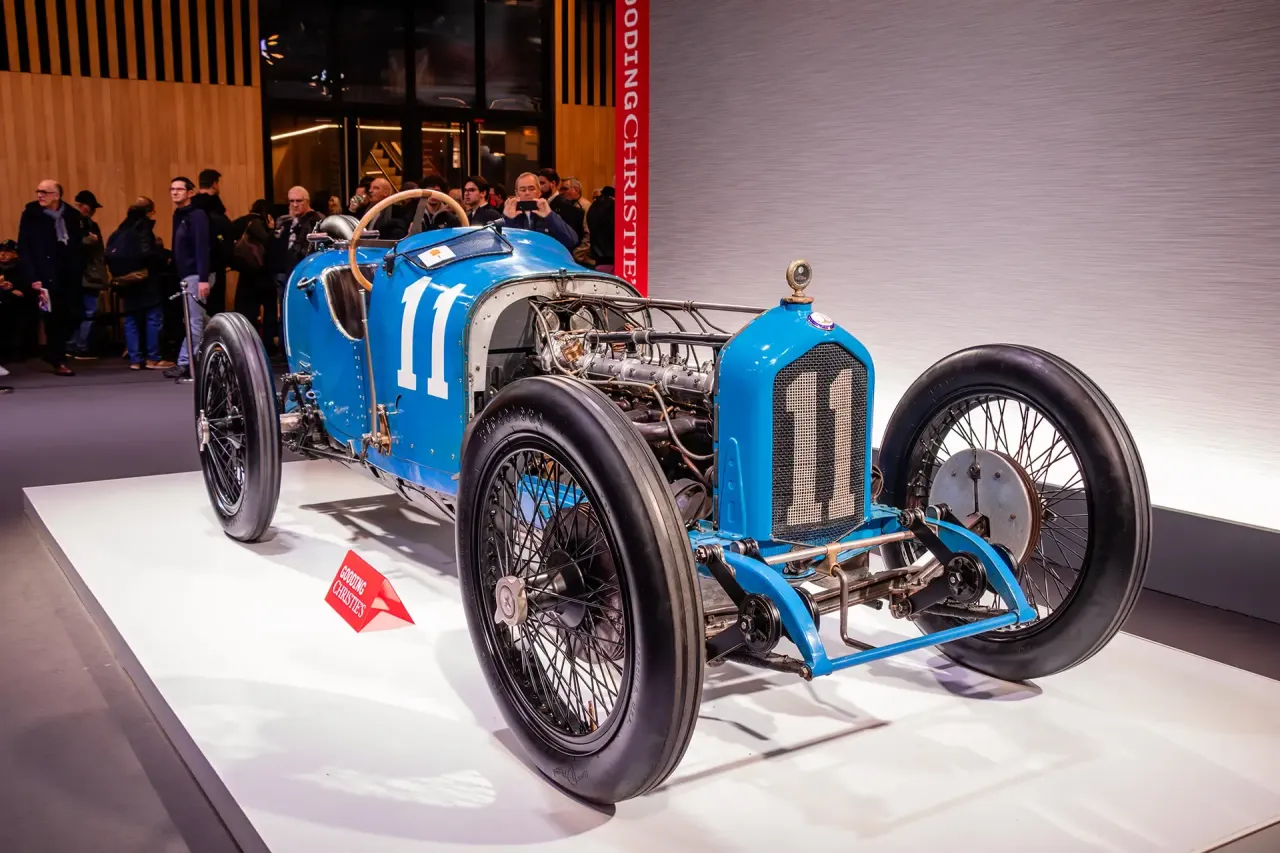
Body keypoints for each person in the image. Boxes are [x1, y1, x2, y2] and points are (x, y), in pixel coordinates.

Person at [17, 179, 88, 376]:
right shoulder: (31, 214)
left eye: (44, 192)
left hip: (69, 274)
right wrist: (32, 276)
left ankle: (54, 352)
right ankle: (58, 359)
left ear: (56, 195)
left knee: (74, 314)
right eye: (38, 191)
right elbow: (25, 247)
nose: (40, 195)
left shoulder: (71, 215)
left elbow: (78, 246)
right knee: (52, 318)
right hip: (44, 275)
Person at [105, 198, 174, 370]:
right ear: (149, 212)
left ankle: (135, 360)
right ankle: (153, 359)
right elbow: (148, 254)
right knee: (153, 317)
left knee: (131, 319)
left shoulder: (119, 231)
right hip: (145, 280)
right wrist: (161, 259)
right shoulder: (143, 229)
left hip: (125, 281)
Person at [165, 177, 211, 379]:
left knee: (194, 321)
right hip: (186, 274)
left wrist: (203, 278)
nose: (175, 192)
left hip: (196, 274)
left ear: (190, 193)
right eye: (172, 189)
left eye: (180, 189)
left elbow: (202, 247)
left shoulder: (197, 215)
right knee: (201, 319)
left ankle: (185, 362)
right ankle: (222, 349)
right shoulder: (179, 214)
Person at [502, 172, 578, 250]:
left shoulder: (548, 214)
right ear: (517, 193)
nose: (527, 193)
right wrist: (507, 219)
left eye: (531, 189)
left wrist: (550, 216)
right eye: (523, 190)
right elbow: (500, 244)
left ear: (539, 192)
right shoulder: (510, 215)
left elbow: (572, 241)